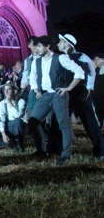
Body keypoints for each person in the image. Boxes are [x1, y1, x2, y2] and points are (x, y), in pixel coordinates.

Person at [28, 35, 84, 165]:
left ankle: (66, 154)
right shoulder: (36, 61)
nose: (37, 49)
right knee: (33, 121)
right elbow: (32, 77)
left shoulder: (61, 58)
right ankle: (43, 150)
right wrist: (36, 89)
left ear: (47, 46)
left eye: (39, 46)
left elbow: (79, 72)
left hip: (59, 94)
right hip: (45, 95)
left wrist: (68, 88)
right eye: (36, 46)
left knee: (63, 125)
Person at [57, 33, 104, 159]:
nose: (58, 44)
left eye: (60, 41)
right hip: (66, 93)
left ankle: (100, 150)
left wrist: (88, 88)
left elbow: (91, 71)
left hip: (80, 93)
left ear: (67, 44)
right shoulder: (61, 58)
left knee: (89, 121)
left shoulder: (82, 56)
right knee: (61, 121)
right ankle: (59, 149)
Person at [0, 82, 26, 151]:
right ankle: (11, 142)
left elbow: (18, 115)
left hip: (19, 127)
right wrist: (3, 134)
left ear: (14, 91)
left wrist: (9, 102)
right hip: (8, 127)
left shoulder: (21, 101)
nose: (6, 92)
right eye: (5, 90)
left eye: (9, 89)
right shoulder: (1, 104)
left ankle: (19, 143)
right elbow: (1, 119)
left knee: (17, 122)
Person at [93, 53, 104, 125]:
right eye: (95, 59)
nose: (95, 61)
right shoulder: (96, 70)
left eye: (97, 59)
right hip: (97, 96)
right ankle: (100, 125)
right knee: (98, 110)